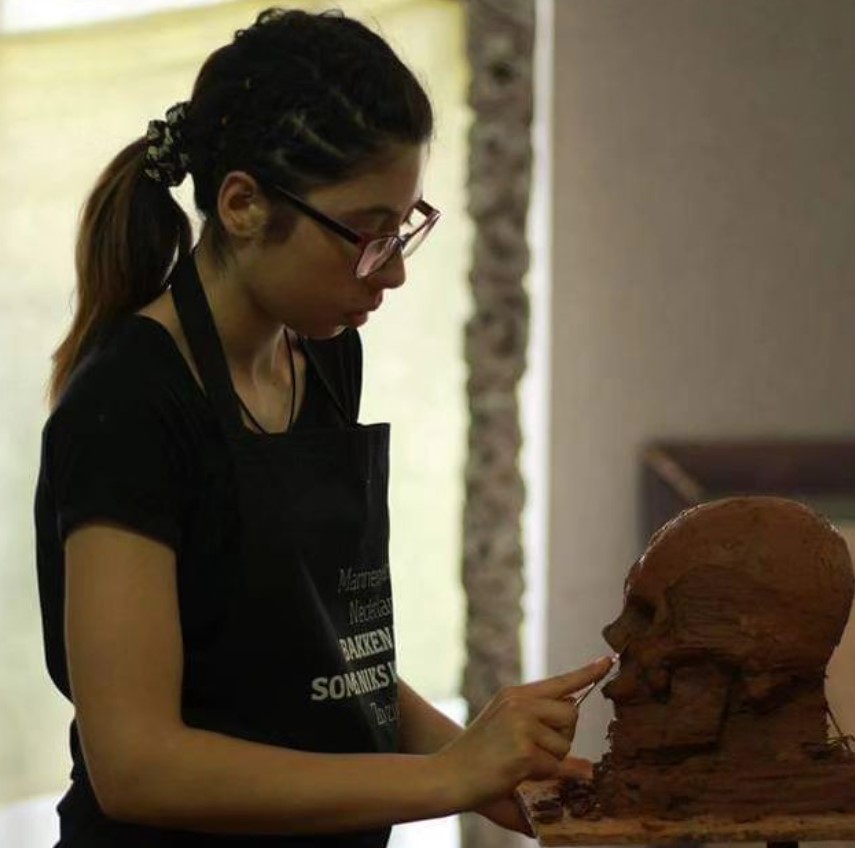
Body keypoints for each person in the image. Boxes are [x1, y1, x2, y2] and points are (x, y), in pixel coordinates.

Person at [34, 7, 612, 846]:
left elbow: (333, 661)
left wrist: (491, 769)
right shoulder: (127, 405)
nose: (394, 271)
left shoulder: (324, 356)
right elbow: (136, 766)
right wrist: (448, 778)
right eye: (368, 234)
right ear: (242, 204)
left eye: (404, 227)